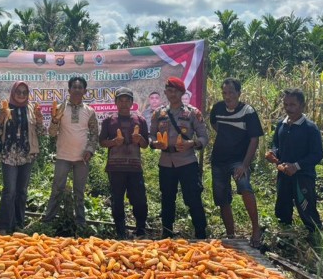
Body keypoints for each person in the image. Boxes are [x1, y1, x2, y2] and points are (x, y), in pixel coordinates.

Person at [150, 77, 208, 239]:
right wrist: (154, 143)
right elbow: (151, 135)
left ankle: (201, 234)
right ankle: (167, 234)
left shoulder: (192, 113)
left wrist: (192, 143)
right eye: (169, 90)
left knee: (193, 198)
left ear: (182, 93)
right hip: (166, 162)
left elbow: (204, 138)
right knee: (167, 199)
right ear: (165, 93)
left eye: (175, 91)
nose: (172, 94)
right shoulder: (158, 114)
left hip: (187, 162)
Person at [209, 78, 264, 246]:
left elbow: (254, 139)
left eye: (231, 92)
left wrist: (245, 165)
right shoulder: (218, 108)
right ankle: (231, 235)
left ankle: (256, 230)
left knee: (245, 187)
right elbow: (215, 124)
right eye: (225, 93)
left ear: (239, 93)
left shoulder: (248, 111)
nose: (228, 96)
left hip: (239, 160)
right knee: (222, 198)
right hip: (218, 160)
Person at [42, 76, 99, 230]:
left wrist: (90, 150)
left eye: (80, 88)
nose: (77, 90)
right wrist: (54, 121)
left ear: (85, 91)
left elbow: (94, 134)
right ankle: (48, 221)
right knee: (57, 189)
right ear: (69, 90)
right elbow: (52, 134)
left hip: (82, 159)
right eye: (74, 87)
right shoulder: (60, 109)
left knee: (79, 192)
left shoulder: (90, 111)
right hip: (63, 157)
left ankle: (81, 223)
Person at [0, 81, 46, 234]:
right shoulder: (3, 108)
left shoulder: (32, 110)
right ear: (13, 93)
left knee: (22, 191)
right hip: (9, 155)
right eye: (18, 92)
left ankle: (18, 224)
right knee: (10, 190)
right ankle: (4, 226)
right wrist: (1, 118)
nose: (21, 95)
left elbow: (42, 133)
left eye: (24, 92)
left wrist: (40, 119)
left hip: (26, 155)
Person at [266, 88, 323, 234]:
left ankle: (315, 238)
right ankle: (285, 238)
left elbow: (317, 154)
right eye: (285, 105)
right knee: (282, 209)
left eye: (292, 105)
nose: (288, 108)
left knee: (307, 209)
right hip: (284, 174)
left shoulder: (310, 128)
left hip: (303, 176)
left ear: (302, 105)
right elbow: (276, 145)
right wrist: (273, 154)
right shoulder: (281, 125)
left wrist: (297, 166)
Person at [99, 88, 149, 239]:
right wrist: (114, 142)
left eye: (127, 100)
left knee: (139, 200)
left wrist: (140, 139)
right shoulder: (109, 121)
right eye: (121, 100)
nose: (124, 103)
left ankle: (140, 229)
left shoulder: (140, 120)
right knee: (117, 200)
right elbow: (102, 142)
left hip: (134, 167)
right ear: (116, 103)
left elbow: (146, 144)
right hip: (115, 168)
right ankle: (121, 231)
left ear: (132, 103)